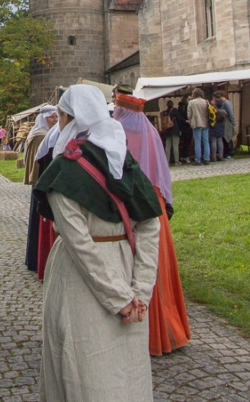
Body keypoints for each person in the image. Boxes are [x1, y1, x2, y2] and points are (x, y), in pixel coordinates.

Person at [34, 85, 161, 402]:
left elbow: (80, 247)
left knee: (81, 366)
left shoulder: (63, 170)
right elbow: (150, 225)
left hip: (80, 281)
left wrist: (121, 298)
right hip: (124, 267)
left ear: (67, 117)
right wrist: (139, 291)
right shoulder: (123, 160)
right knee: (121, 369)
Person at [114, 93, 191, 356]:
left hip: (131, 203)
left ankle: (145, 331)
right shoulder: (151, 133)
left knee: (137, 263)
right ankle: (170, 328)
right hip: (155, 202)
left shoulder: (118, 133)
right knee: (157, 261)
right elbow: (162, 173)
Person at [23, 105, 58, 272]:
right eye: (51, 117)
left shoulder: (42, 134)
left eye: (56, 117)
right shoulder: (40, 135)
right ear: (43, 118)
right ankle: (36, 259)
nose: (55, 120)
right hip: (40, 182)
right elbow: (39, 164)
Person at [187, 87, 210, 165]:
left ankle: (198, 160)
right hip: (205, 123)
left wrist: (190, 120)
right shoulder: (206, 101)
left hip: (196, 123)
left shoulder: (191, 102)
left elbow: (189, 115)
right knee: (206, 142)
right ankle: (207, 159)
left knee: (197, 142)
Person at [163, 99, 181, 165]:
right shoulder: (175, 110)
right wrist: (180, 129)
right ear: (172, 104)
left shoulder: (165, 112)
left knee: (168, 146)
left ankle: (167, 161)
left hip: (168, 131)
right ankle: (176, 161)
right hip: (175, 129)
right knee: (175, 146)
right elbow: (179, 120)